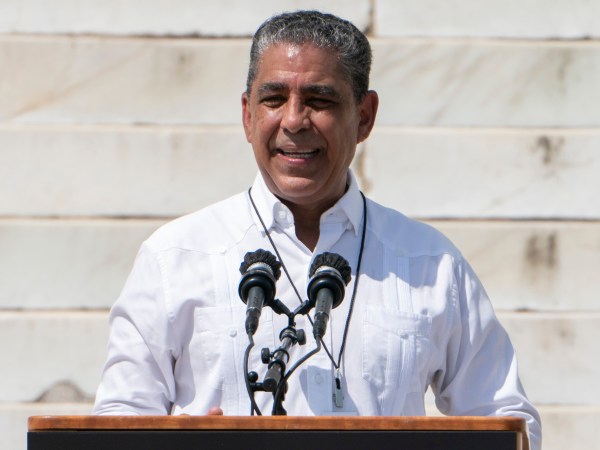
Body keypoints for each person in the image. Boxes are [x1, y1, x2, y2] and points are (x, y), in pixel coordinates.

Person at [93, 10, 541, 450]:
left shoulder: (430, 264)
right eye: (273, 99)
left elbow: (508, 423)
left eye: (319, 100)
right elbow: (116, 422)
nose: (293, 120)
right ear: (248, 114)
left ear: (364, 116)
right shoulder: (175, 257)